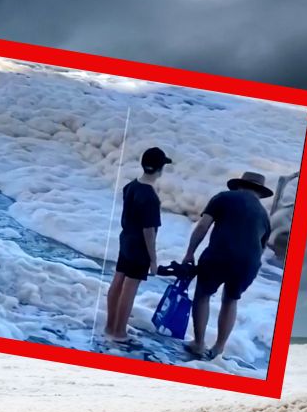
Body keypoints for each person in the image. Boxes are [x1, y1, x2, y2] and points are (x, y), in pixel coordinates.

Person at [181, 170, 273, 359]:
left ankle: (198, 344)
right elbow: (262, 248)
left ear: (240, 185)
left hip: (220, 255)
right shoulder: (264, 215)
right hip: (249, 263)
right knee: (231, 299)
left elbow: (202, 226)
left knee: (203, 295)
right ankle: (219, 347)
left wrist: (190, 253)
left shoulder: (223, 198)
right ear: (260, 192)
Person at [105, 146, 172, 342]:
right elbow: (148, 231)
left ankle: (110, 326)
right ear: (160, 169)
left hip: (126, 239)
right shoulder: (150, 197)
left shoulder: (131, 186)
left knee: (118, 281)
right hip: (139, 246)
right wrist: (153, 260)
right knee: (129, 288)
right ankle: (119, 332)